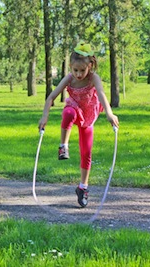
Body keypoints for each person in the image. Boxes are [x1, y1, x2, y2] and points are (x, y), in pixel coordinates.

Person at [38, 41, 119, 208]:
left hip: (89, 115)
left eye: (82, 70)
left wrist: (109, 113)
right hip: (74, 108)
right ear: (70, 66)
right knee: (68, 113)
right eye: (75, 70)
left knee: (87, 153)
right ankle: (63, 146)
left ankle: (83, 187)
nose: (79, 74)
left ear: (90, 66)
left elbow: (102, 94)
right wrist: (44, 116)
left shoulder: (93, 78)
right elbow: (51, 97)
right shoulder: (69, 79)